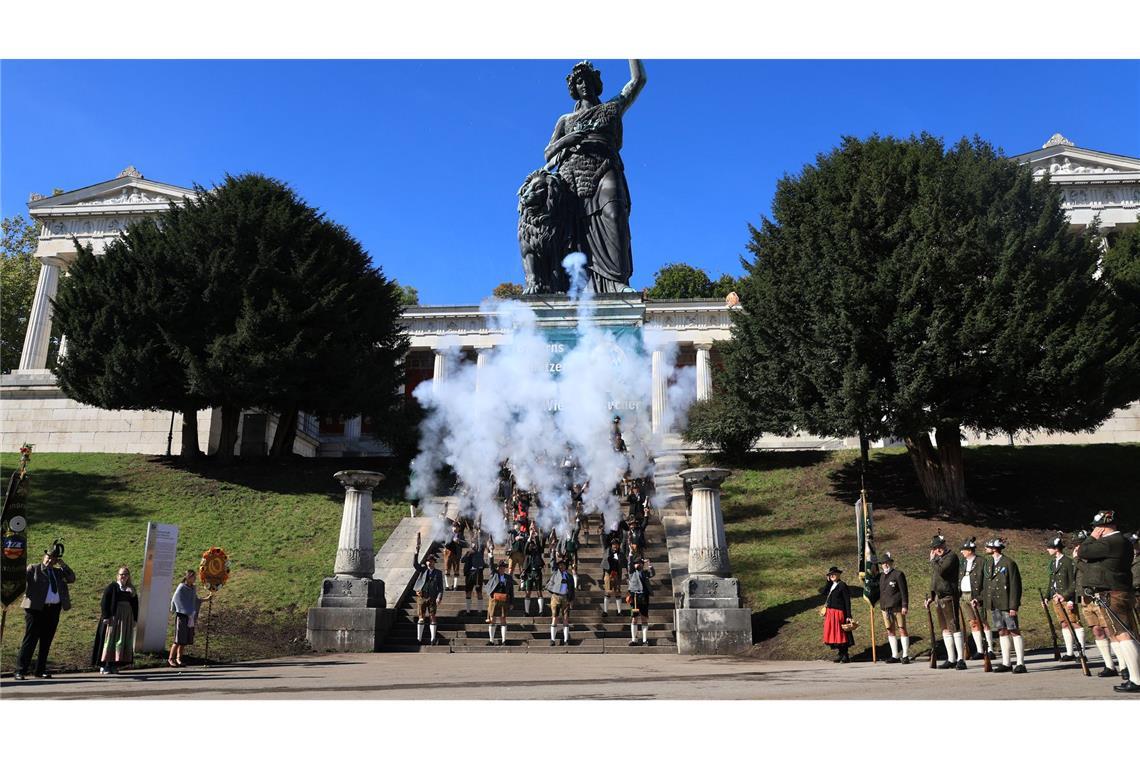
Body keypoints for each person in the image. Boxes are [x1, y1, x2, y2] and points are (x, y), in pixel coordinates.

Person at [544, 60, 646, 293]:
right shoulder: (565, 121)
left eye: (589, 80)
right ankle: (577, 286)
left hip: (605, 166)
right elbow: (548, 153)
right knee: (575, 230)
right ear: (573, 87)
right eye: (580, 81)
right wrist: (568, 140)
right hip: (573, 174)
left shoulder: (612, 107)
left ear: (596, 83)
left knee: (614, 213)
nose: (585, 85)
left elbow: (638, 81)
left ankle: (616, 281)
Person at [1074, 510, 1139, 693]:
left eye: (1097, 527)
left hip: (1113, 593)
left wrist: (1091, 538)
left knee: (1123, 634)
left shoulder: (1111, 542)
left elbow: (1083, 551)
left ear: (1105, 526)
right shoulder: (1122, 542)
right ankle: (1135, 677)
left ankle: (1136, 679)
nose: (1096, 531)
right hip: (1117, 591)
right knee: (1124, 634)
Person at [15, 540, 75, 680]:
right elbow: (19, 579)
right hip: (35, 610)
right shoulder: (33, 568)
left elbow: (72, 578)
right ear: (44, 557)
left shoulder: (59, 572)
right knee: (30, 640)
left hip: (53, 610)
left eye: (52, 558)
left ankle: (40, 670)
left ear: (56, 560)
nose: (49, 560)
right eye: (47, 557)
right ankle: (20, 670)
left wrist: (63, 564)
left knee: (46, 641)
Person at [979, 537, 1026, 673]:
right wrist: (980, 599)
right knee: (1001, 630)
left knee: (1013, 630)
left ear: (994, 548)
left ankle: (1020, 662)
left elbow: (1015, 586)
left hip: (1006, 603)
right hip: (995, 603)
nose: (986, 548)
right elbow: (987, 585)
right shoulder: (988, 564)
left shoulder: (1009, 563)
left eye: (988, 546)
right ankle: (1006, 662)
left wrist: (1013, 606)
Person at [925, 534, 966, 670]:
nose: (937, 550)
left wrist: (933, 561)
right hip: (938, 596)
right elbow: (934, 579)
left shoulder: (951, 557)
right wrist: (931, 596)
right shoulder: (938, 559)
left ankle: (961, 658)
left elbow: (942, 572)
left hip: (949, 595)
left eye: (939, 547)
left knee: (954, 626)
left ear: (944, 545)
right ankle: (951, 658)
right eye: (935, 548)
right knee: (945, 629)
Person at [1044, 535, 1083, 662]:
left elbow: (1074, 582)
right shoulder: (1053, 562)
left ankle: (1081, 652)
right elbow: (1052, 581)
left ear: (1056, 549)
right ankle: (1069, 652)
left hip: (1066, 597)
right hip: (1056, 598)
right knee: (1064, 624)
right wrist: (1046, 596)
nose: (1047, 550)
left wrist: (1071, 599)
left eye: (1049, 548)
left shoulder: (1068, 561)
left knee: (1075, 623)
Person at [96, 566, 139, 675]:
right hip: (114, 618)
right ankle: (104, 665)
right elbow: (104, 602)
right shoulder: (112, 587)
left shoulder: (131, 589)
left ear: (128, 576)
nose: (123, 576)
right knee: (110, 640)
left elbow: (135, 605)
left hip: (126, 619)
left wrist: (134, 619)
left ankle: (115, 665)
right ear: (117, 576)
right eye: (121, 574)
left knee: (120, 641)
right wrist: (106, 616)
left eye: (125, 574)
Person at [959, 536, 993, 659]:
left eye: (963, 549)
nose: (962, 552)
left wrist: (980, 597)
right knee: (972, 623)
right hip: (964, 595)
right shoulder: (963, 562)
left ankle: (989, 649)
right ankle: (980, 650)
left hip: (976, 596)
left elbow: (986, 582)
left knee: (983, 622)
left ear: (969, 550)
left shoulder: (981, 561)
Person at [169, 569, 209, 667]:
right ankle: (171, 658)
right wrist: (183, 610)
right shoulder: (181, 587)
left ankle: (179, 659)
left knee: (184, 640)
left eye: (195, 577)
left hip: (189, 617)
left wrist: (206, 599)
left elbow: (195, 600)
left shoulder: (193, 588)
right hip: (182, 616)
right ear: (188, 577)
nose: (195, 578)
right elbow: (175, 599)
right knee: (178, 639)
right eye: (193, 577)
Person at [877, 552, 910, 664]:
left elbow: (904, 592)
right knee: (890, 631)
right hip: (885, 608)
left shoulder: (898, 574)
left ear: (891, 563)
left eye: (887, 562)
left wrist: (904, 605)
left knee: (902, 629)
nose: (885, 565)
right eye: (883, 563)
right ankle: (895, 655)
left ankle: (905, 655)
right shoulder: (881, 576)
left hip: (897, 607)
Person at [821, 566, 854, 663]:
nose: (832, 576)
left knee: (841, 634)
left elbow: (847, 601)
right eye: (830, 575)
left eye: (834, 574)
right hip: (830, 613)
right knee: (834, 634)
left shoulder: (842, 585)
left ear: (838, 575)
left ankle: (845, 655)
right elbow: (823, 593)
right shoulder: (831, 585)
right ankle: (840, 654)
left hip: (839, 613)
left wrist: (848, 615)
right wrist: (827, 582)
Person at [412, 554, 445, 645]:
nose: (429, 562)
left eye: (431, 561)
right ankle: (419, 639)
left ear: (434, 562)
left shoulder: (438, 573)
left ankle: (433, 639)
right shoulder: (422, 570)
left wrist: (439, 597)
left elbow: (441, 588)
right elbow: (415, 564)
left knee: (432, 617)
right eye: (428, 561)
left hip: (432, 597)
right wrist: (416, 553)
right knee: (421, 618)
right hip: (422, 596)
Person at [545, 556, 575, 646]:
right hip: (556, 597)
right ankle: (552, 639)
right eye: (560, 565)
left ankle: (566, 640)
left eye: (563, 565)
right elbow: (550, 584)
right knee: (555, 617)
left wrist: (572, 600)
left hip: (566, 598)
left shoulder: (569, 576)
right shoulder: (555, 574)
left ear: (565, 566)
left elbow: (572, 589)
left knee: (566, 619)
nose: (561, 567)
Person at [484, 560, 515, 646]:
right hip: (494, 599)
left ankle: (504, 640)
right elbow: (490, 565)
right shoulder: (494, 574)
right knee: (492, 619)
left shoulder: (508, 577)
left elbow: (511, 591)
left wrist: (512, 602)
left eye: (504, 567)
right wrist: (491, 554)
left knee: (503, 619)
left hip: (504, 600)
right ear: (498, 567)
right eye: (501, 567)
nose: (502, 568)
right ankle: (491, 640)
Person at [626, 555, 655, 646]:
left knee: (644, 618)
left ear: (642, 564)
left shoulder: (645, 573)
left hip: (644, 597)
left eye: (639, 563)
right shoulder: (632, 572)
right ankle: (634, 639)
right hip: (634, 597)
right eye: (636, 563)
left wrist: (649, 563)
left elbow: (653, 573)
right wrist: (630, 554)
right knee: (634, 618)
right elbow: (630, 564)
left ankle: (644, 640)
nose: (637, 564)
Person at [461, 539, 488, 616]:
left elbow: (482, 564)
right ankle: (468, 610)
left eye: (475, 544)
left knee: (479, 592)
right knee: (468, 592)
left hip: (478, 574)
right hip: (469, 574)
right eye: (473, 544)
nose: (474, 546)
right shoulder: (468, 553)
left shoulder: (479, 553)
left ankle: (480, 611)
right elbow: (462, 560)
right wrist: (468, 554)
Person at [521, 538, 545, 615]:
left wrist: (537, 536)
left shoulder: (538, 551)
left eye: (532, 544)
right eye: (530, 544)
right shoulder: (527, 553)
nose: (531, 545)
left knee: (539, 592)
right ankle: (526, 611)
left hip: (537, 573)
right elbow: (525, 549)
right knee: (528, 592)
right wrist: (530, 537)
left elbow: (539, 545)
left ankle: (541, 611)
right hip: (529, 574)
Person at [600, 539, 625, 616]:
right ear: (611, 545)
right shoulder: (607, 551)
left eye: (616, 544)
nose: (615, 546)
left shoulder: (620, 553)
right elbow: (603, 541)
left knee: (618, 592)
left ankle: (619, 611)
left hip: (617, 574)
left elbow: (624, 562)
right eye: (614, 544)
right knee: (607, 592)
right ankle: (605, 611)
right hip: (608, 573)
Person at [443, 522, 465, 591]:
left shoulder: (461, 535)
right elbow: (446, 544)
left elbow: (466, 544)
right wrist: (452, 539)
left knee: (456, 571)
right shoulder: (448, 534)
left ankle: (455, 586)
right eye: (454, 527)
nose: (455, 528)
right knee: (447, 570)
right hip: (448, 554)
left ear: (459, 528)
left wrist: (459, 541)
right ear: (452, 528)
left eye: (456, 527)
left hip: (456, 554)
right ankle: (447, 586)